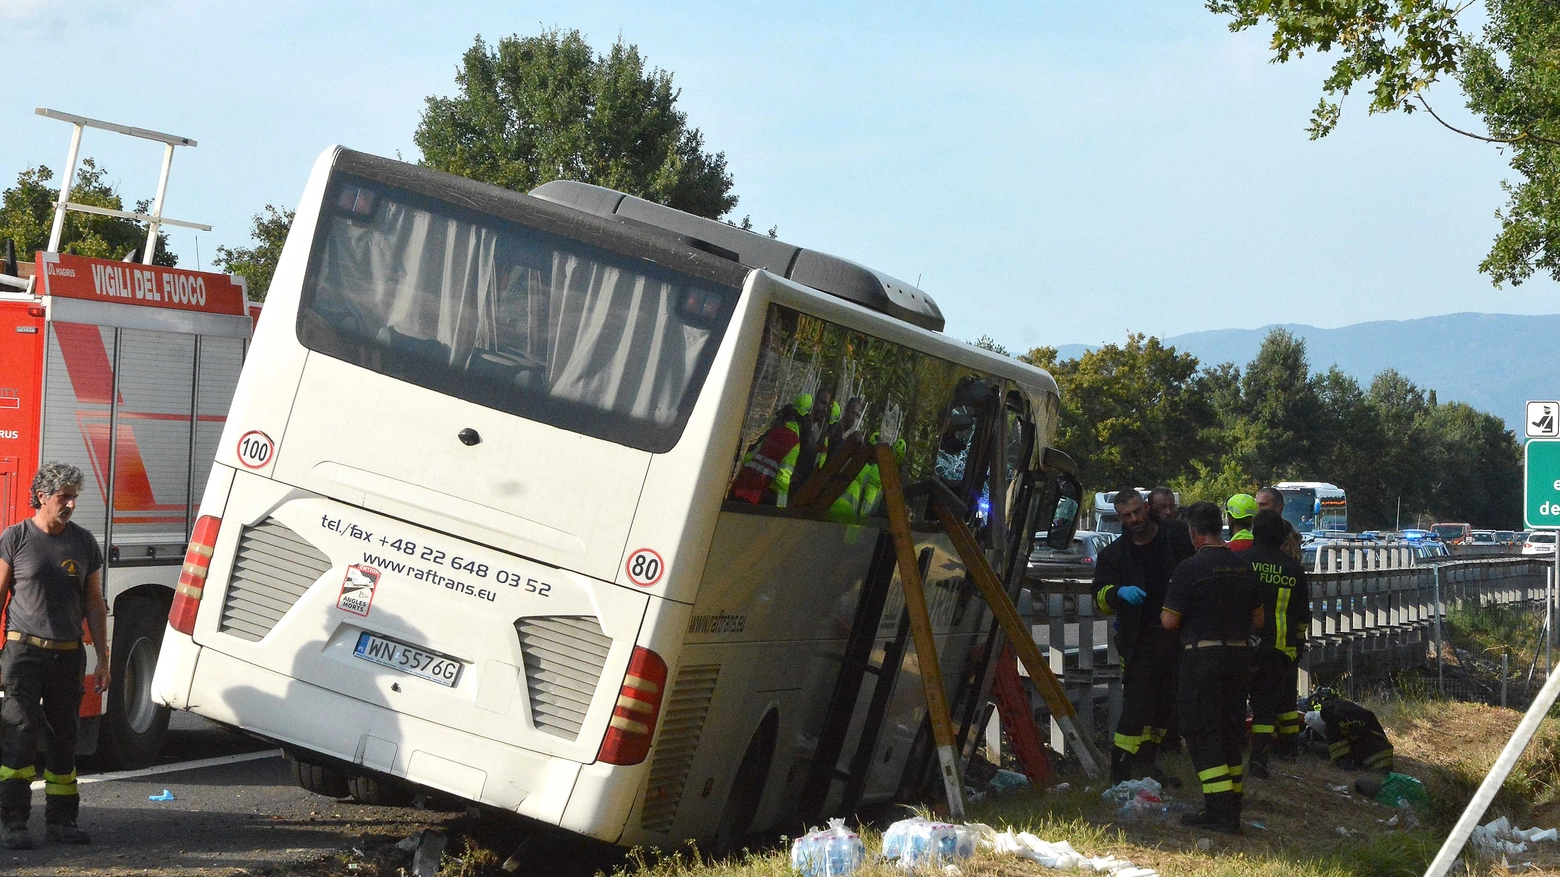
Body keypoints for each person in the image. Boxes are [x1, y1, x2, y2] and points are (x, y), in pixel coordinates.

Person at [0, 462, 109, 848]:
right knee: (20, 733)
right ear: (43, 496)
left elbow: (95, 604)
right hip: (23, 652)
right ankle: (14, 823)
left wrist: (103, 660)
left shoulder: (83, 542)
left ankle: (63, 822)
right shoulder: (16, 538)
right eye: (64, 497)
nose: (71, 504)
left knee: (65, 736)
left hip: (68, 654)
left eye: (74, 497)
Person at [1160, 500, 1263, 834]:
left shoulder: (1188, 569)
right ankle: (1232, 806)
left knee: (1200, 731)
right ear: (1220, 527)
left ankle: (1219, 810)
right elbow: (1258, 620)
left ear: (1193, 533)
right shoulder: (1243, 566)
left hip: (1202, 658)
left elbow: (1169, 620)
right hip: (1239, 656)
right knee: (1230, 730)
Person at [1093, 487, 1195, 783]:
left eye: (1137, 511)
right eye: (1126, 515)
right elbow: (1099, 596)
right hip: (1139, 639)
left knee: (1166, 703)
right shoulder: (1114, 555)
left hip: (1177, 635)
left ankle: (1148, 764)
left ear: (1147, 508)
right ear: (1119, 518)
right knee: (1138, 703)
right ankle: (1121, 769)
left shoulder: (1176, 537)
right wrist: (1116, 593)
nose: (1134, 519)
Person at [1240, 509, 1311, 776]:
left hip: (1241, 646)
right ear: (1282, 537)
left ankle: (1233, 750)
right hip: (1278, 649)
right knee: (1265, 708)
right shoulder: (1293, 569)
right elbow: (1302, 616)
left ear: (1254, 532)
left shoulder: (1240, 561)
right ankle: (1259, 759)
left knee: (1234, 701)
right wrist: (1297, 646)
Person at [730, 394, 811, 507]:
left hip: (739, 489)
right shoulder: (794, 442)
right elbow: (782, 478)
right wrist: (781, 507)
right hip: (756, 497)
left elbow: (749, 457)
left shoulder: (773, 431)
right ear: (805, 421)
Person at [1307, 688, 1394, 772]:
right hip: (1384, 750)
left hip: (1374, 759)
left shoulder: (1333, 722)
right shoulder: (1350, 710)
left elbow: (1338, 749)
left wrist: (1341, 764)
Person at [1254, 487, 1303, 559]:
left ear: (1278, 507)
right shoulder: (1253, 528)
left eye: (1263, 505)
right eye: (1256, 505)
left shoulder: (1288, 532)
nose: (1258, 509)